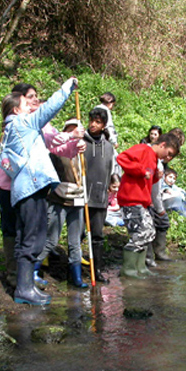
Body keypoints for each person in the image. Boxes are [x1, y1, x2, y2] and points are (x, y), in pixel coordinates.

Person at [0, 77, 78, 305]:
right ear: (16, 110)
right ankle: (24, 289)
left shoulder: (15, 128)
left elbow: (53, 140)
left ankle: (25, 286)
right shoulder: (22, 123)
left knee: (28, 237)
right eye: (27, 104)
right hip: (30, 187)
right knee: (31, 239)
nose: (33, 107)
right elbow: (49, 109)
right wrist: (67, 87)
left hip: (28, 188)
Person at [116, 132, 180, 278]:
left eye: (171, 157)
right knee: (141, 232)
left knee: (149, 232)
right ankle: (128, 270)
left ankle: (141, 267)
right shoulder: (144, 149)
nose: (168, 158)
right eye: (168, 153)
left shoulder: (154, 159)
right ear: (162, 145)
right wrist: (141, 171)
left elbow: (148, 182)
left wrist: (156, 178)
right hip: (130, 199)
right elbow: (121, 158)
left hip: (142, 201)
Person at [35, 118, 88, 288]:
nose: (74, 134)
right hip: (59, 199)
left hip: (77, 200)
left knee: (75, 242)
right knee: (51, 239)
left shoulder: (82, 152)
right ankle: (33, 270)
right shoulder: (56, 152)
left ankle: (76, 277)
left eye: (77, 130)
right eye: (70, 130)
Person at [146, 127, 186, 266]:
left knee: (162, 222)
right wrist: (159, 207)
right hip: (146, 199)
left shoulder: (161, 162)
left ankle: (159, 253)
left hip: (155, 197)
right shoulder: (150, 155)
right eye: (169, 154)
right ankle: (149, 258)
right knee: (149, 227)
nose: (169, 158)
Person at [82, 107, 114, 283]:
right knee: (78, 234)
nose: (93, 125)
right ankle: (74, 269)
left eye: (98, 122)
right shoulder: (81, 143)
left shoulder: (108, 147)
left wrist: (114, 180)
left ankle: (97, 270)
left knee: (97, 235)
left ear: (103, 125)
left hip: (100, 197)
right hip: (82, 196)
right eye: (91, 121)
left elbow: (111, 167)